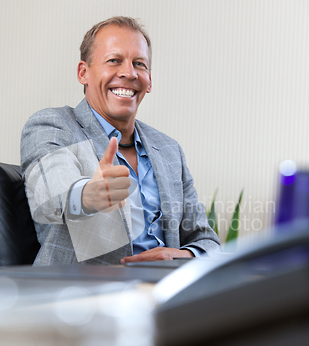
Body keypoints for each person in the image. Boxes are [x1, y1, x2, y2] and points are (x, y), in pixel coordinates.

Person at [21, 16, 220, 265]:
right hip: (82, 294)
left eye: (140, 64)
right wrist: (88, 195)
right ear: (83, 73)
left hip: (164, 295)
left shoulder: (169, 150)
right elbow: (52, 197)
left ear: (149, 81)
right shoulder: (53, 125)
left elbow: (208, 241)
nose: (129, 73)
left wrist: (180, 254)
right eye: (114, 61)